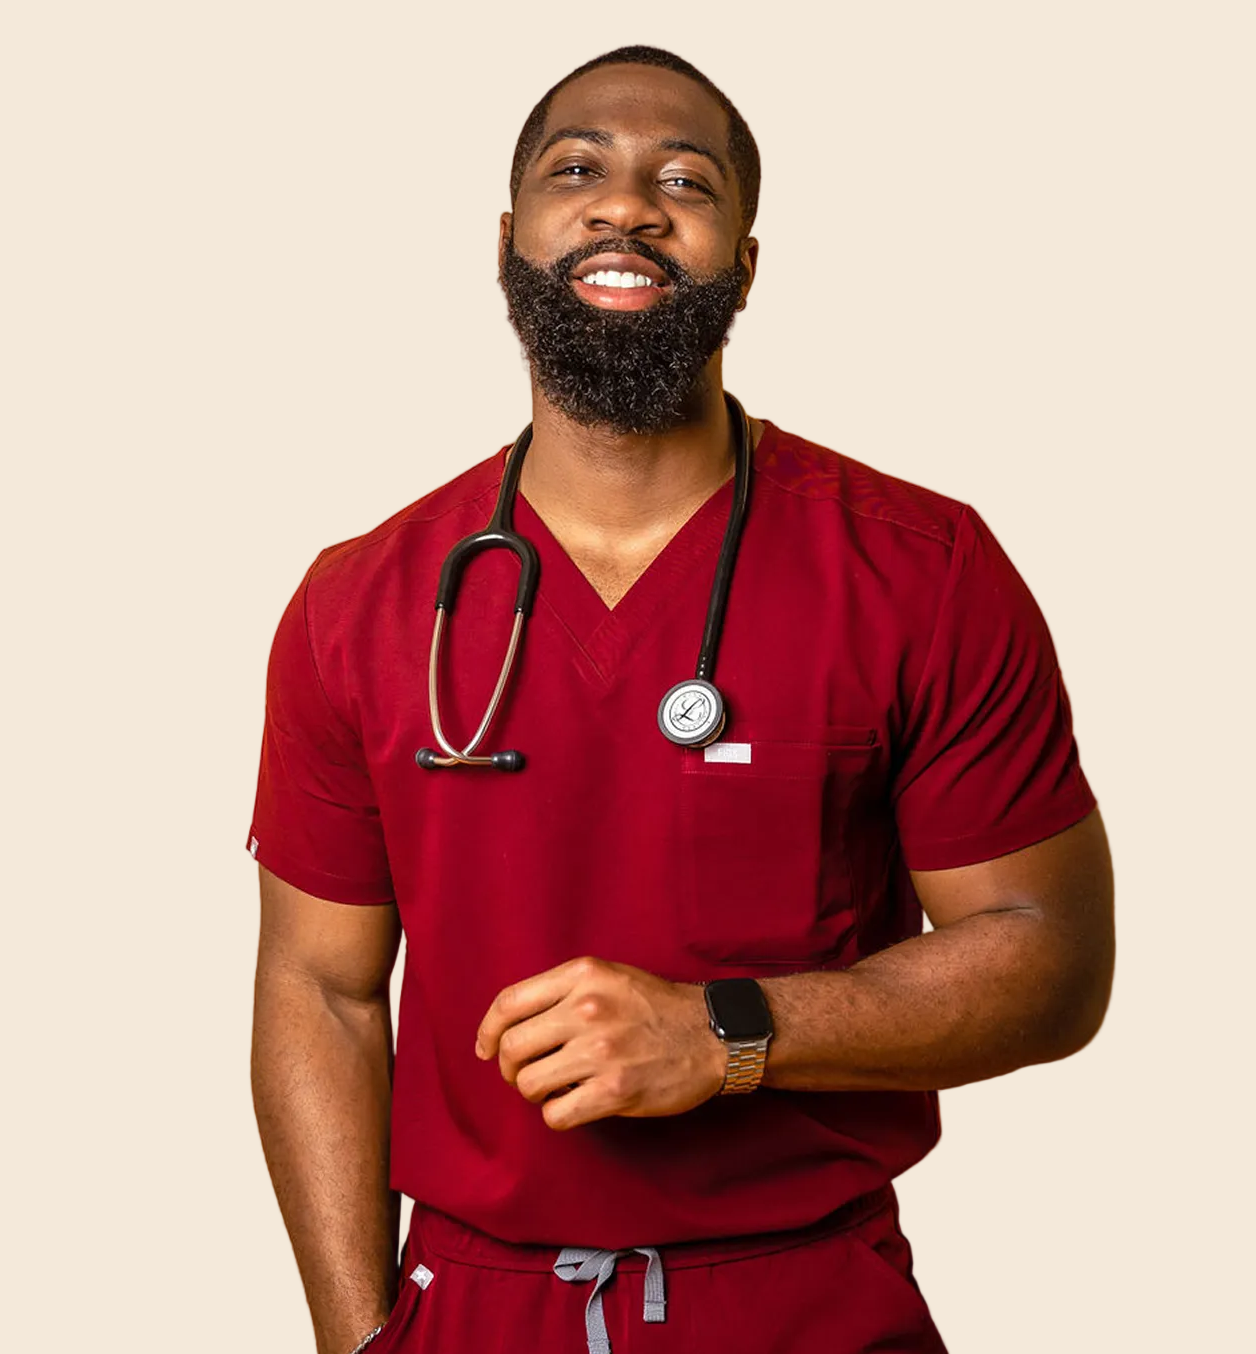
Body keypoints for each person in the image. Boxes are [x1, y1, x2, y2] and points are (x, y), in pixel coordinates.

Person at [247, 44, 1114, 1354]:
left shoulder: (920, 569)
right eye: (577, 170)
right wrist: (360, 1340)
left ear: (745, 265)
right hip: (474, 1309)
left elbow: (1051, 955)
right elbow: (323, 988)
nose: (627, 203)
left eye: (686, 181)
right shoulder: (357, 600)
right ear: (508, 241)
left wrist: (727, 1031)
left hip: (807, 1301)